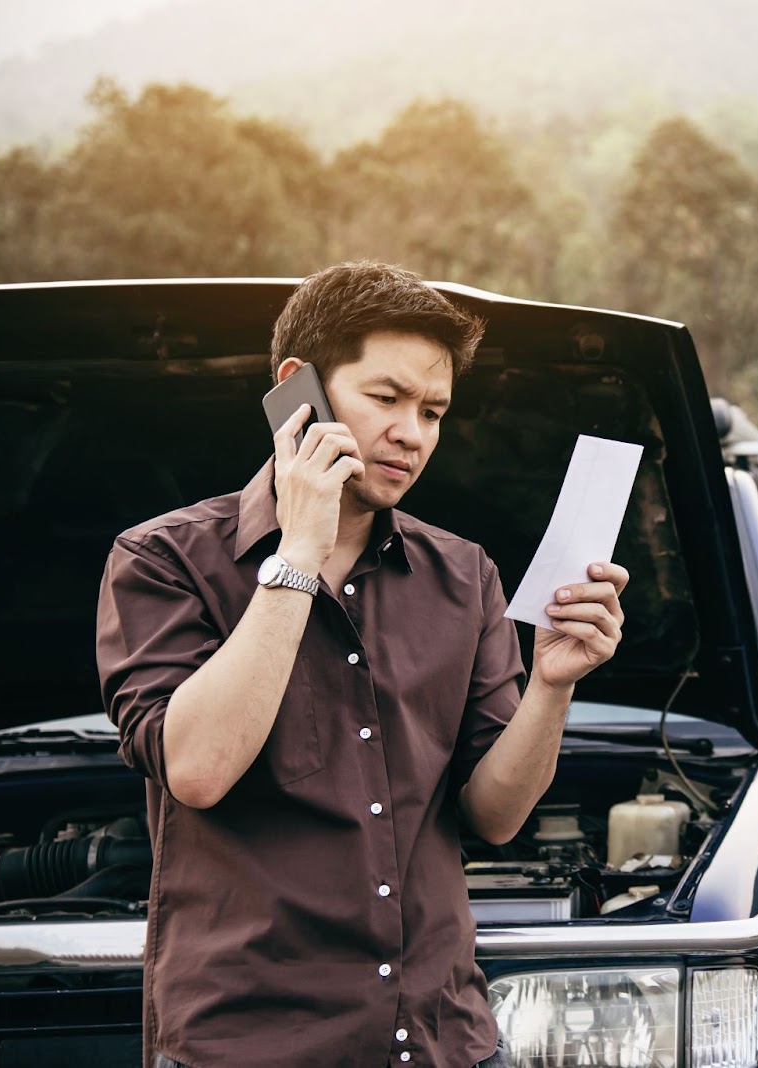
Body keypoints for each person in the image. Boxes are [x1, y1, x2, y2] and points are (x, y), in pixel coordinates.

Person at [96, 261, 628, 1067]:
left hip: (441, 1041)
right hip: (249, 1049)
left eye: (434, 411)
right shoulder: (162, 560)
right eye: (386, 399)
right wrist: (298, 553)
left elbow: (495, 816)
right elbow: (198, 768)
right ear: (297, 389)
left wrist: (552, 685)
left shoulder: (465, 576)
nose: (412, 434)